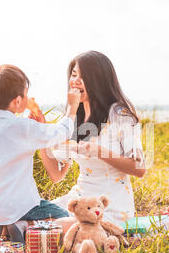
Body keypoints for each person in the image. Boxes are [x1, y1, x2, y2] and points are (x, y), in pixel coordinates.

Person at [33, 51, 146, 225]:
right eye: (73, 75)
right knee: (32, 213)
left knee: (53, 226)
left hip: (109, 207)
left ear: (99, 81)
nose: (75, 81)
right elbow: (57, 175)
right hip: (80, 200)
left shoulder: (119, 114)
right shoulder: (74, 117)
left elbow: (139, 169)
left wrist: (98, 151)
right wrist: (43, 137)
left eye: (83, 77)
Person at [0, 64, 81, 243]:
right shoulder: (23, 128)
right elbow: (62, 132)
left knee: (15, 208)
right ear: (17, 101)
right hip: (21, 207)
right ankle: (24, 226)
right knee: (68, 218)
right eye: (26, 93)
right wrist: (72, 107)